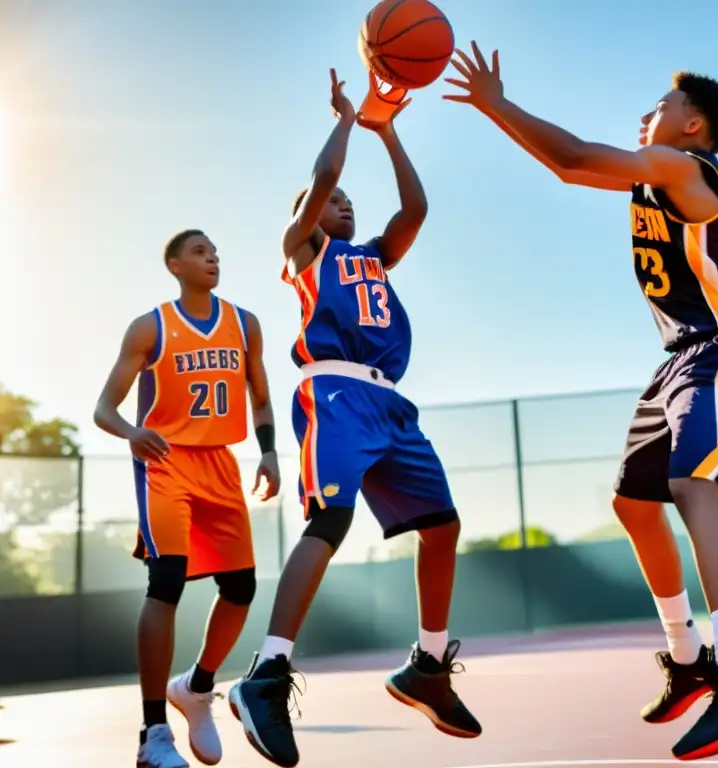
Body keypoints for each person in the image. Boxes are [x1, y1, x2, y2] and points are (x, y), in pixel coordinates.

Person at [444, 44, 718, 760]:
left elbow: (572, 158)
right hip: (681, 359)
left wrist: (494, 103)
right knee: (633, 503)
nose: (646, 114)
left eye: (662, 107)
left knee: (692, 482)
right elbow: (578, 170)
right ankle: (688, 657)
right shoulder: (656, 178)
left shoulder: (684, 168)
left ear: (694, 126)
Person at [228, 70, 480, 768]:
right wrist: (345, 118)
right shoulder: (305, 255)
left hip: (392, 404)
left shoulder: (373, 258)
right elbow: (323, 174)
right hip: (334, 393)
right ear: (309, 215)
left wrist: (390, 132)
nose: (342, 202)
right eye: (330, 200)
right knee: (329, 523)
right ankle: (267, 674)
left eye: (346, 200)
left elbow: (416, 210)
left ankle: (428, 665)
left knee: (443, 526)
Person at [94, 229, 281, 768]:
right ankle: (153, 733)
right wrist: (131, 431)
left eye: (216, 250)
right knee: (167, 580)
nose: (213, 256)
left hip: (221, 464)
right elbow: (104, 408)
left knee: (241, 587)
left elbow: (261, 398)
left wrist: (268, 453)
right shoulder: (150, 327)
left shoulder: (245, 324)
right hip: (164, 462)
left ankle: (196, 688)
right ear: (174, 265)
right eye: (200, 251)